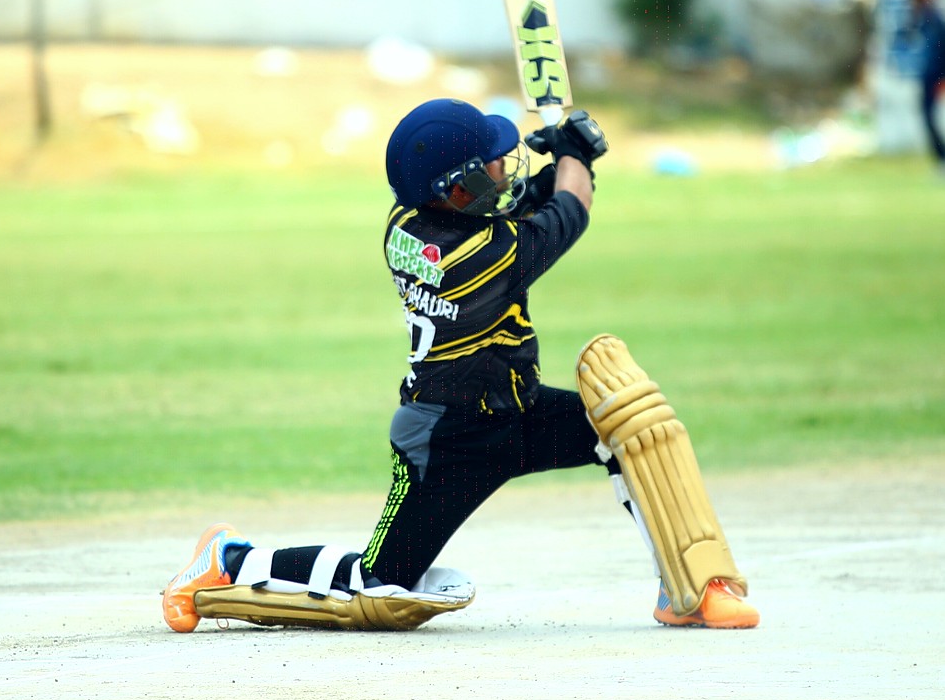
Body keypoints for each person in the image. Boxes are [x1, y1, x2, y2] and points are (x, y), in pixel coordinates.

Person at [162, 98, 759, 632]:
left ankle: (689, 589)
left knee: (630, 434)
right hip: (448, 439)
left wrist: (560, 162)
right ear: (459, 187)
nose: (504, 167)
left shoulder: (408, 223)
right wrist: (576, 155)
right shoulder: (482, 253)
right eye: (492, 164)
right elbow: (569, 211)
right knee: (380, 584)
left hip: (518, 411)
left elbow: (525, 205)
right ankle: (231, 559)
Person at [896, 0, 945, 171]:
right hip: (931, 74)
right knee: (927, 115)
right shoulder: (923, 15)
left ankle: (942, 158)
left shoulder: (932, 16)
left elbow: (939, 49)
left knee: (928, 114)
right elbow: (905, 34)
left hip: (935, 75)